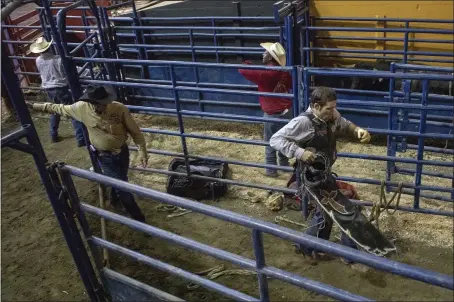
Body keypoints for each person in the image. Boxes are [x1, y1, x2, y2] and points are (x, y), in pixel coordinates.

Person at [270, 86, 371, 266]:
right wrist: (300, 152)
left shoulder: (329, 114)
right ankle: (350, 256)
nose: (333, 112)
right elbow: (275, 139)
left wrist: (357, 131)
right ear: (316, 106)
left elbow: (344, 123)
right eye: (329, 109)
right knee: (343, 211)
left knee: (324, 214)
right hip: (310, 177)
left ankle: (311, 247)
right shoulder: (303, 122)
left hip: (322, 174)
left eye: (334, 108)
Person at [27, 84, 149, 222]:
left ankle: (114, 200)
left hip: (122, 152)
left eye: (107, 102)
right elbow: (58, 108)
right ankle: (140, 220)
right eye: (102, 103)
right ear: (92, 103)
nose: (106, 105)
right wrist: (34, 105)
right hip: (105, 156)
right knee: (123, 188)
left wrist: (142, 152)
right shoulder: (81, 108)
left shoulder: (119, 108)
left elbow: (135, 132)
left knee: (120, 179)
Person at [238, 42, 293, 177]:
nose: (263, 54)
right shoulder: (283, 72)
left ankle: (270, 169)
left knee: (270, 141)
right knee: (283, 140)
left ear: (270, 57)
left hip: (272, 113)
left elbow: (243, 69)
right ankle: (284, 165)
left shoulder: (265, 74)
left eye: (265, 52)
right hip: (287, 112)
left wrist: (248, 63)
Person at [30, 37, 85, 146]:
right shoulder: (58, 59)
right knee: (72, 111)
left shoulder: (38, 60)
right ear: (49, 47)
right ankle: (80, 139)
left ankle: (53, 135)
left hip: (48, 90)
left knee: (54, 111)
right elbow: (68, 72)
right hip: (61, 89)